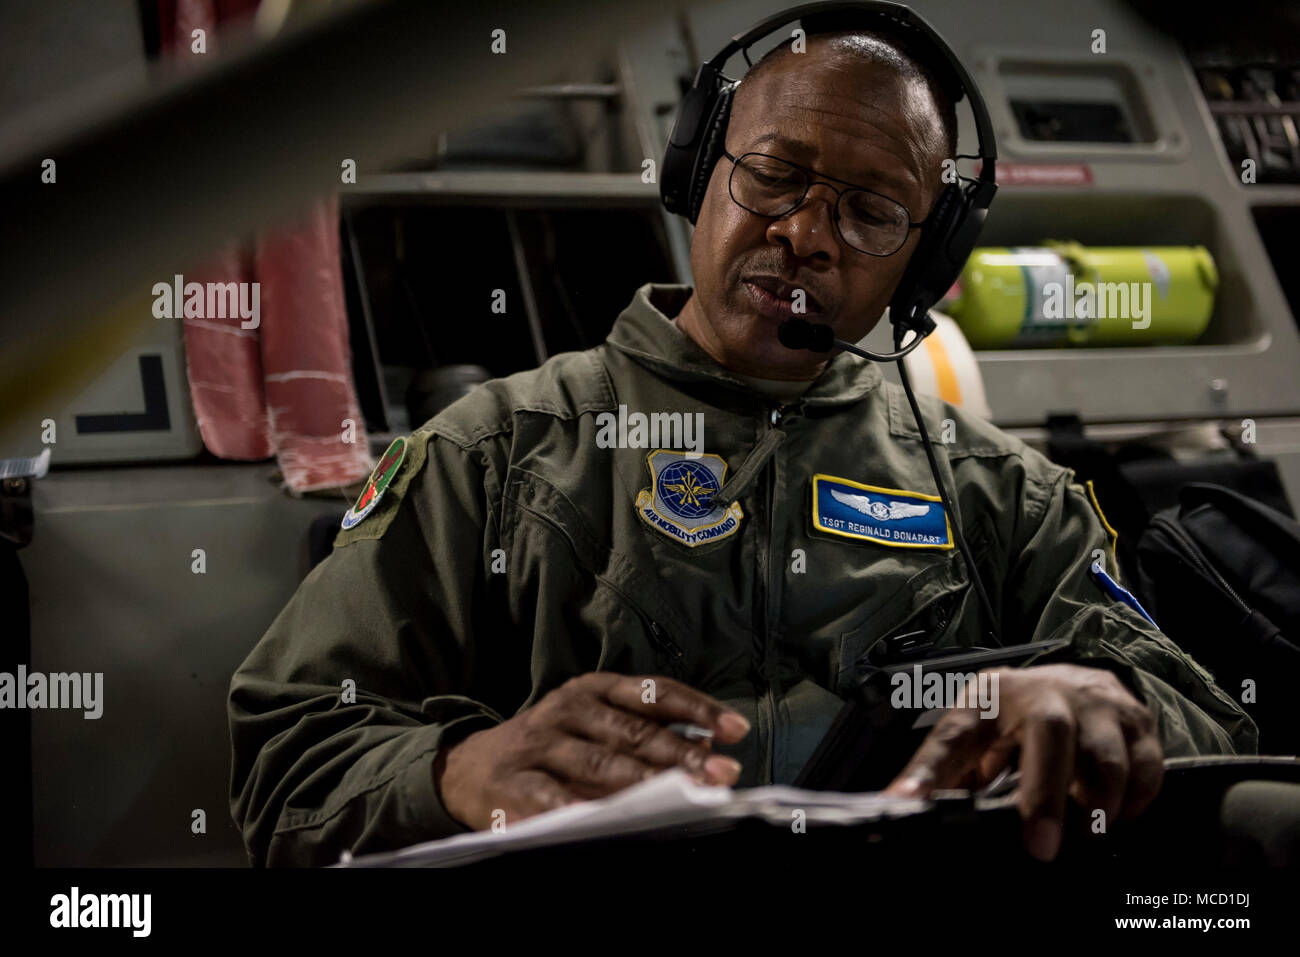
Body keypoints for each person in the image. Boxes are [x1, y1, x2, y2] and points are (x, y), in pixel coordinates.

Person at [227, 25, 1255, 868]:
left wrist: (1101, 701)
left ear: (922, 257)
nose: (807, 233)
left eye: (870, 211)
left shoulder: (1007, 496)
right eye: (774, 175)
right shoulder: (492, 452)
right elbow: (289, 758)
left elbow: (1208, 722)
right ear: (697, 170)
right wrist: (457, 770)